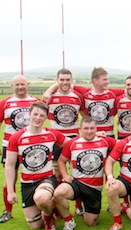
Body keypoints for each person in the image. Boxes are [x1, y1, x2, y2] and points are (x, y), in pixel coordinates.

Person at [5, 102, 68, 230]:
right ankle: (52, 208)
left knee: (42, 198)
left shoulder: (51, 134)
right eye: (35, 114)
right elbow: (10, 165)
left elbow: (73, 142)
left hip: (46, 179)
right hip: (27, 183)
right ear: (29, 115)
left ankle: (49, 216)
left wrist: (96, 135)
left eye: (42, 115)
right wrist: (10, 191)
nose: (38, 118)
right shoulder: (16, 138)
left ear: (46, 118)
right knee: (35, 226)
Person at [43, 67, 131, 137]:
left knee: (106, 169)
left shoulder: (112, 93)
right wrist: (49, 91)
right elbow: (64, 84)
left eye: (107, 79)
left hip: (108, 135)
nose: (108, 82)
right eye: (105, 79)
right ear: (95, 81)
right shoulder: (85, 93)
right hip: (91, 135)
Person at [53, 116, 116, 230]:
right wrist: (65, 175)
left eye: (92, 128)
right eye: (86, 128)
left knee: (91, 222)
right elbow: (61, 161)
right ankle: (68, 221)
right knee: (58, 193)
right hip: (77, 183)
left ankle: (86, 210)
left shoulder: (105, 141)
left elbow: (122, 144)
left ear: (96, 128)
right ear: (80, 129)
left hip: (94, 188)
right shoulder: (73, 143)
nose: (89, 131)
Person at [45, 68, 86, 216]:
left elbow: (84, 115)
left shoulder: (77, 97)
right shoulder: (50, 97)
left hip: (74, 138)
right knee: (58, 175)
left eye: (67, 79)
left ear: (71, 80)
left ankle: (78, 205)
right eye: (61, 80)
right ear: (57, 81)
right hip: (56, 140)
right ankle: (57, 207)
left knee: (78, 172)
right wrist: (50, 90)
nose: (65, 82)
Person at [0, 75, 40, 223]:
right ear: (12, 86)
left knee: (37, 176)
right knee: (9, 179)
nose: (20, 87)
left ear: (27, 84)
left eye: (22, 84)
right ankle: (7, 211)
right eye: (17, 84)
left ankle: (42, 207)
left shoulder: (35, 101)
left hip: (31, 146)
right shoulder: (5, 103)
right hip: (10, 146)